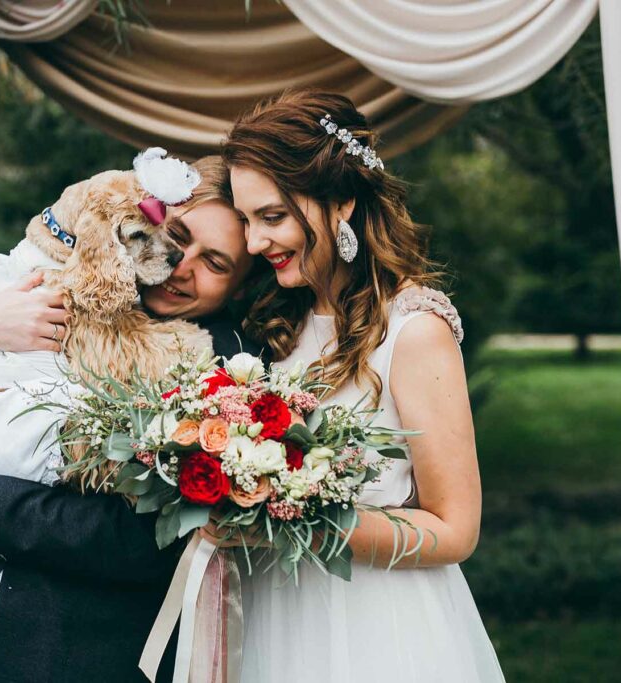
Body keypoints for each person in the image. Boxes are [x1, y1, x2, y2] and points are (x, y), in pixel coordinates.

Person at [0, 156, 260, 683]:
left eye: (214, 263)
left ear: (239, 288)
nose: (177, 263)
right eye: (175, 236)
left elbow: (139, 541)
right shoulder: (42, 289)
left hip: (72, 656)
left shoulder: (220, 371)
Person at [216, 90, 505, 682]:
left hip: (379, 624)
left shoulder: (414, 330)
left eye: (272, 217)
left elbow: (455, 529)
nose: (252, 243)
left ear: (341, 202)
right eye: (246, 220)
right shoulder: (273, 326)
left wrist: (298, 518)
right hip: (273, 613)